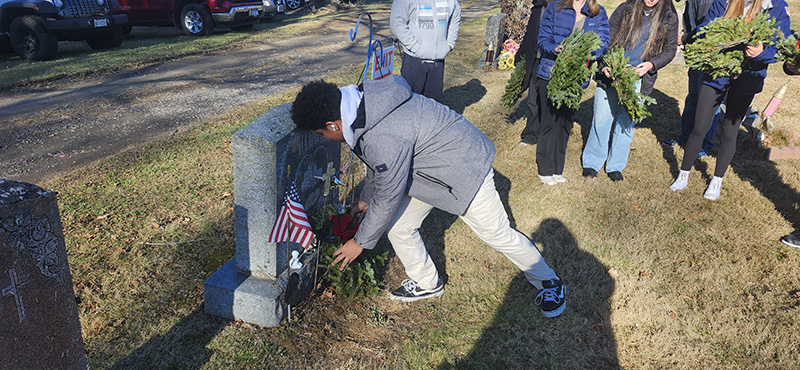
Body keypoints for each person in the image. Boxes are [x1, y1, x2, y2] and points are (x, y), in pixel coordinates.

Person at [291, 76, 566, 317]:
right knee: (399, 225)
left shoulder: (382, 134)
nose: (325, 139)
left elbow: (387, 190)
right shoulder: (364, 103)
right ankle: (427, 283)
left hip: (465, 170)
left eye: (321, 133)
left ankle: (550, 282)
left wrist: (359, 243)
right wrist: (365, 198)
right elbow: (379, 164)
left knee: (498, 235)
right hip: (430, 171)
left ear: (333, 125)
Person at [669, 0, 791, 200]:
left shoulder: (776, 6)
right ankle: (683, 174)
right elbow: (706, 27)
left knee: (729, 130)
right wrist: (707, 39)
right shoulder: (724, 1)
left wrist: (762, 53)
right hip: (717, 73)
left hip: (748, 77)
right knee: (699, 126)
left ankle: (716, 179)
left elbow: (781, 44)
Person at [581, 0, 678, 181]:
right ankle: (592, 161)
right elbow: (606, 38)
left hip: (638, 78)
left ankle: (615, 165)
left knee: (626, 122)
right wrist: (604, 65)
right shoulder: (626, 9)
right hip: (613, 71)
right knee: (602, 117)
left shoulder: (669, 16)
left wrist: (650, 64)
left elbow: (670, 50)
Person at [536, 0, 609, 185]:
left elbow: (603, 42)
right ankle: (545, 169)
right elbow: (542, 38)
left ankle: (557, 168)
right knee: (549, 121)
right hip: (551, 73)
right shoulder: (556, 6)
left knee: (565, 123)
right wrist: (555, 48)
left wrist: (589, 52)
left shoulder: (598, 12)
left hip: (576, 77)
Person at [661, 0, 721, 156]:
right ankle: (686, 137)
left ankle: (704, 144)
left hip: (709, 56)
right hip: (696, 55)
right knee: (693, 97)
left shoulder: (709, 2)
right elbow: (692, 22)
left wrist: (685, 37)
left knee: (708, 103)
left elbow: (709, 29)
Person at [390, 0, 461, 102]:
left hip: (438, 62)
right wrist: (416, 48)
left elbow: (455, 18)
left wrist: (449, 44)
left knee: (434, 105)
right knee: (409, 102)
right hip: (413, 60)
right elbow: (396, 23)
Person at [517, 0, 549, 146]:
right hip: (536, 60)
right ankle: (530, 135)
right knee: (533, 99)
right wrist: (521, 52)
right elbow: (529, 34)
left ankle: (547, 133)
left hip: (550, 63)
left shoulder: (561, 7)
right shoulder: (537, 8)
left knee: (547, 101)